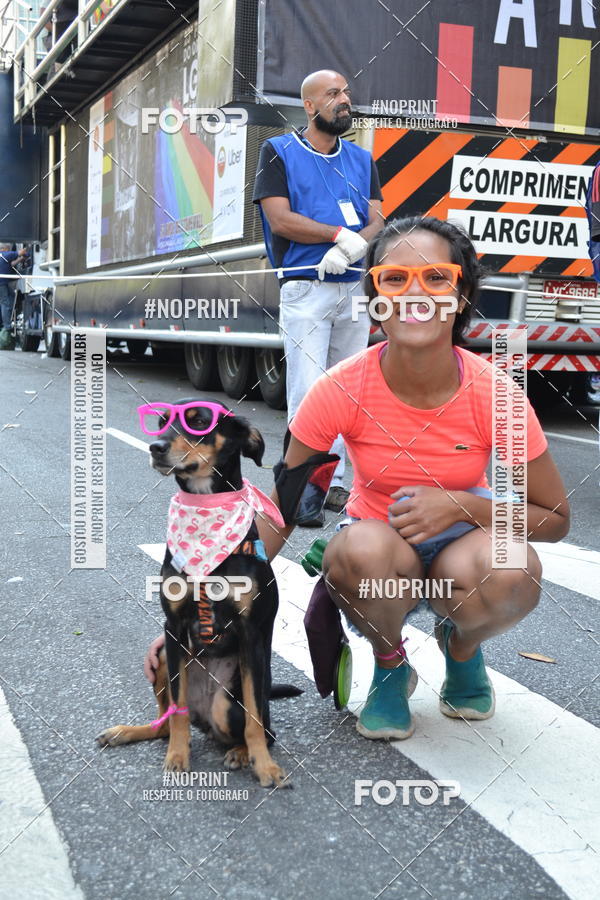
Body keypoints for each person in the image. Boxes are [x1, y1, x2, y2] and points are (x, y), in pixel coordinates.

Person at [144, 217, 569, 744]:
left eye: (437, 277)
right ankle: (391, 665)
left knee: (514, 566)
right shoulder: (339, 388)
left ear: (461, 297)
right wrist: (207, 601)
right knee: (355, 550)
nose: (415, 292)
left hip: (466, 544)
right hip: (380, 548)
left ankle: (460, 650)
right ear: (375, 298)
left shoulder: (495, 393)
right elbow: (283, 502)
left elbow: (553, 518)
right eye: (395, 279)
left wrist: (463, 506)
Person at [252, 69, 383, 523]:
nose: (345, 99)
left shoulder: (363, 159)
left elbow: (378, 219)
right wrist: (336, 237)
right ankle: (305, 485)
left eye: (346, 91)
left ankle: (340, 486)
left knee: (351, 391)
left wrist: (356, 244)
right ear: (310, 106)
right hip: (306, 286)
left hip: (352, 288)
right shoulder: (278, 151)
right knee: (309, 391)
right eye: (333, 94)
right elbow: (281, 219)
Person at [0, 244, 27, 349]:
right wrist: (26, 250)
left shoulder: (3, 256)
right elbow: (22, 252)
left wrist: (20, 260)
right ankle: (7, 326)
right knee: (6, 303)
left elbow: (11, 264)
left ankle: (7, 322)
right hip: (3, 283)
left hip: (3, 283)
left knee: (9, 300)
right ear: (6, 248)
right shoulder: (7, 254)